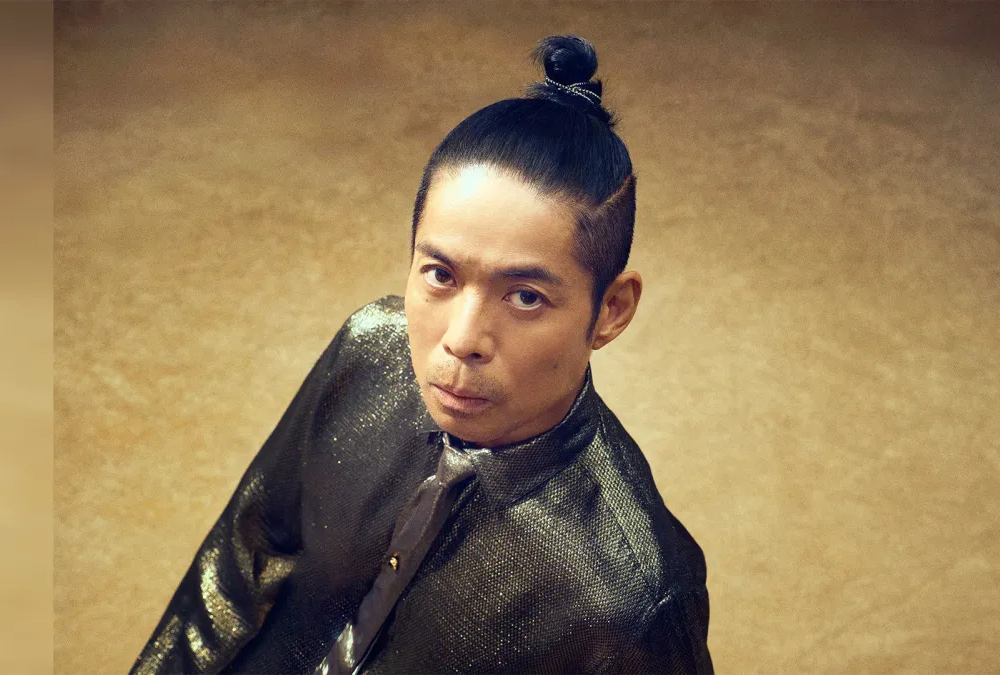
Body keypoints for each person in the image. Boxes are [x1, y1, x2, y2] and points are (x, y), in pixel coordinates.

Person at [130, 35, 713, 674]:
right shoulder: (368, 348)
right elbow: (240, 561)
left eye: (524, 296)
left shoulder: (633, 602)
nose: (462, 339)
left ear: (611, 310)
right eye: (441, 275)